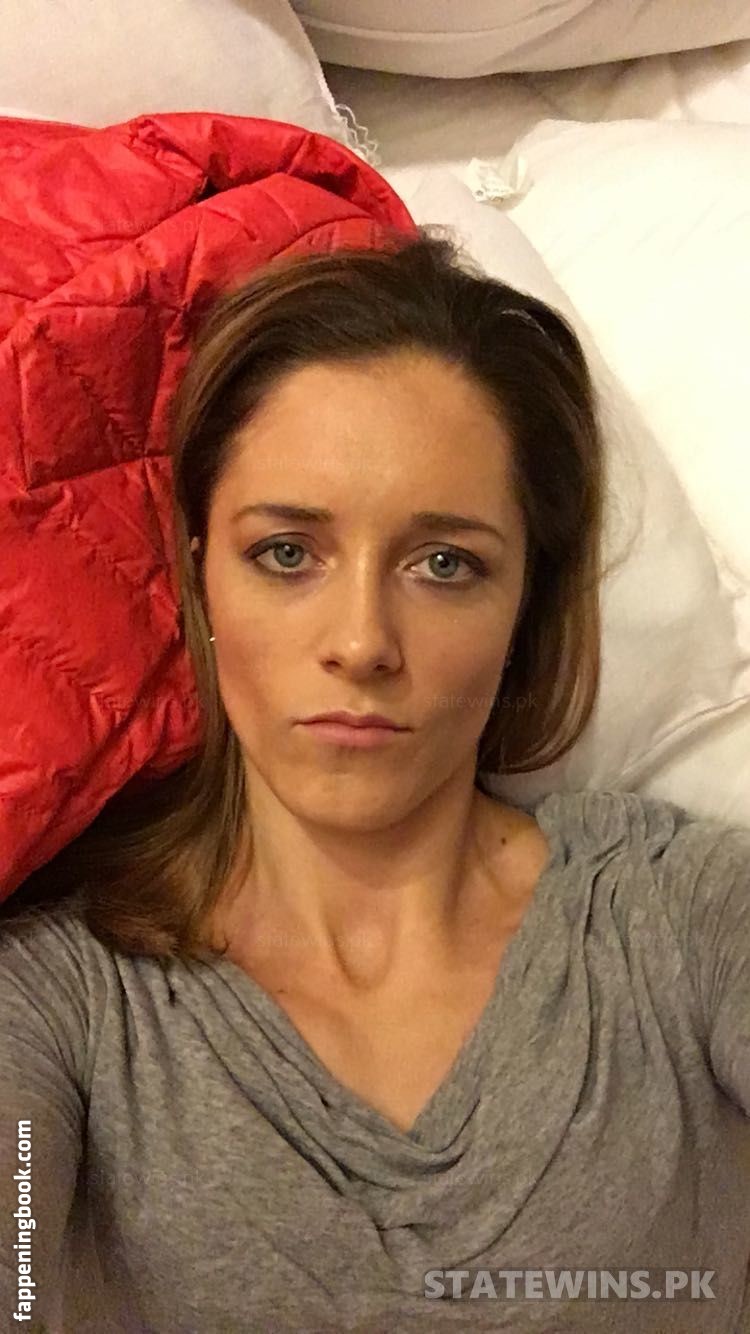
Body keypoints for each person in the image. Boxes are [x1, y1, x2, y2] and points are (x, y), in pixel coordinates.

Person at [0, 228, 748, 1333]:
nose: (361, 642)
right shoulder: (60, 1003)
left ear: (527, 604)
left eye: (445, 564)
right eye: (287, 553)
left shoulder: (681, 917)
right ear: (202, 577)